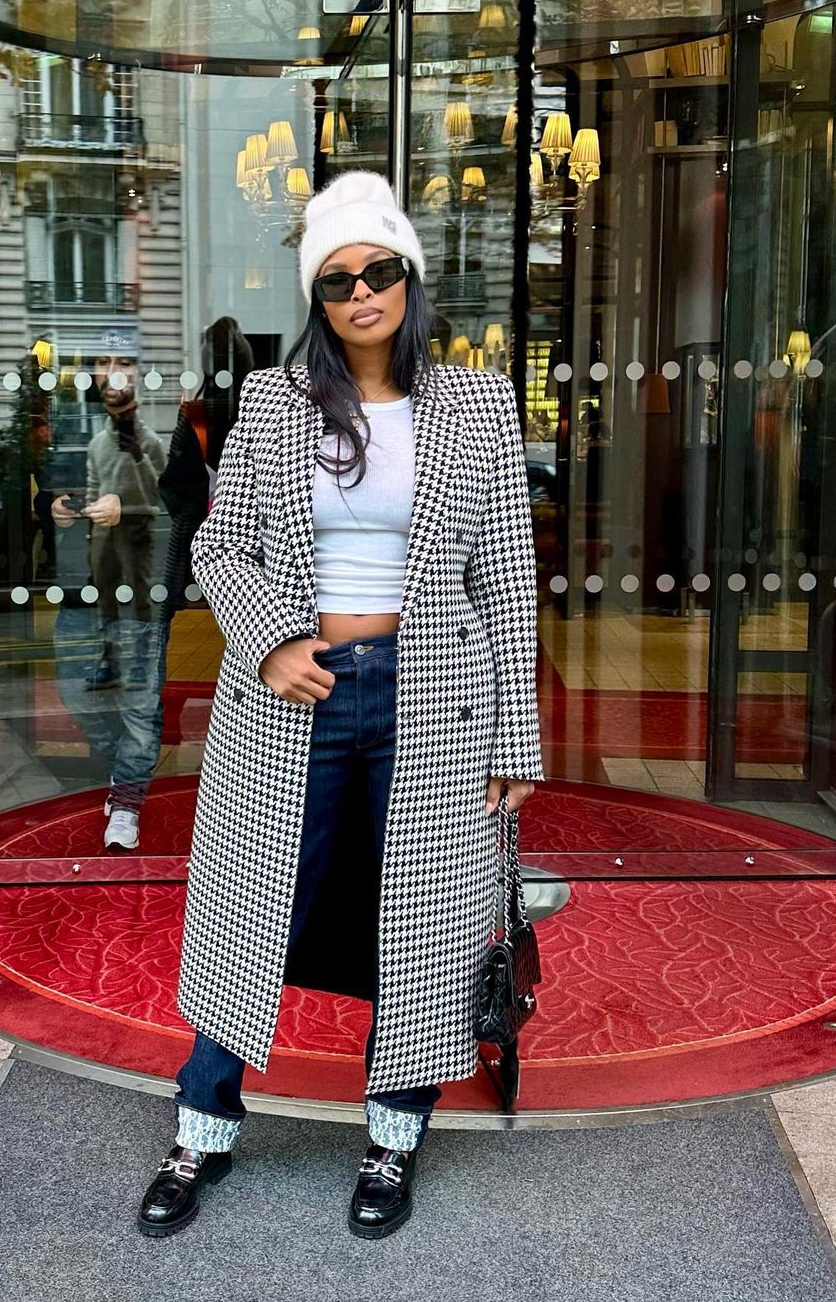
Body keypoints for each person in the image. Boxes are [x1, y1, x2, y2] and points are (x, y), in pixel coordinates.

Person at [137, 171, 544, 1239]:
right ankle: (201, 1129)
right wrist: (271, 639)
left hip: (434, 696)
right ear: (317, 297)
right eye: (336, 279)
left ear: (409, 277)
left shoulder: (478, 404)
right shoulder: (276, 402)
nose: (361, 292)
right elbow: (219, 544)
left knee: (418, 924)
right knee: (246, 910)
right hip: (291, 698)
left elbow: (505, 579)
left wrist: (517, 737)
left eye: (378, 270)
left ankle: (392, 1140)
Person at [51, 329, 169, 850]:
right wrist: (61, 507)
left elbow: (189, 509)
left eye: (126, 362)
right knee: (76, 691)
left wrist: (132, 509)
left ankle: (126, 801)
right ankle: (121, 767)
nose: (114, 372)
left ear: (143, 373)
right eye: (104, 360)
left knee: (140, 705)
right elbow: (82, 492)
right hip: (91, 590)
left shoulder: (158, 437)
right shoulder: (91, 437)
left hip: (141, 594)